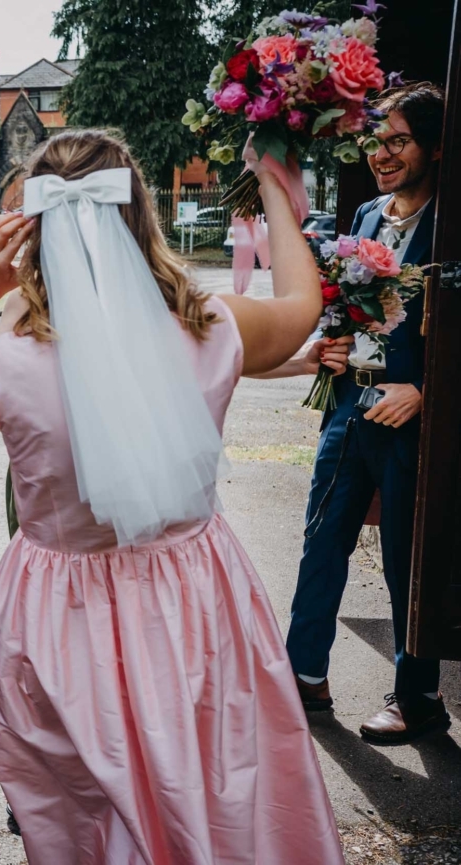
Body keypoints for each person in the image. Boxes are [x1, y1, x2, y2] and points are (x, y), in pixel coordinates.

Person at [0, 130, 343, 863]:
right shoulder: (213, 324)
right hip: (193, 601)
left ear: (34, 230)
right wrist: (271, 177)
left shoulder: (6, 356)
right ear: (141, 214)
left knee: (85, 813)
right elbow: (302, 304)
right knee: (213, 778)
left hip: (57, 616)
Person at [261, 82, 448, 744]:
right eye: (375, 140)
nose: (381, 154)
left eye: (397, 140)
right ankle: (303, 672)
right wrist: (334, 340)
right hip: (347, 407)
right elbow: (350, 301)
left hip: (412, 420)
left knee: (405, 558)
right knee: (322, 540)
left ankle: (419, 694)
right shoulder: (367, 215)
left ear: (434, 145)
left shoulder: (451, 226)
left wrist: (427, 391)